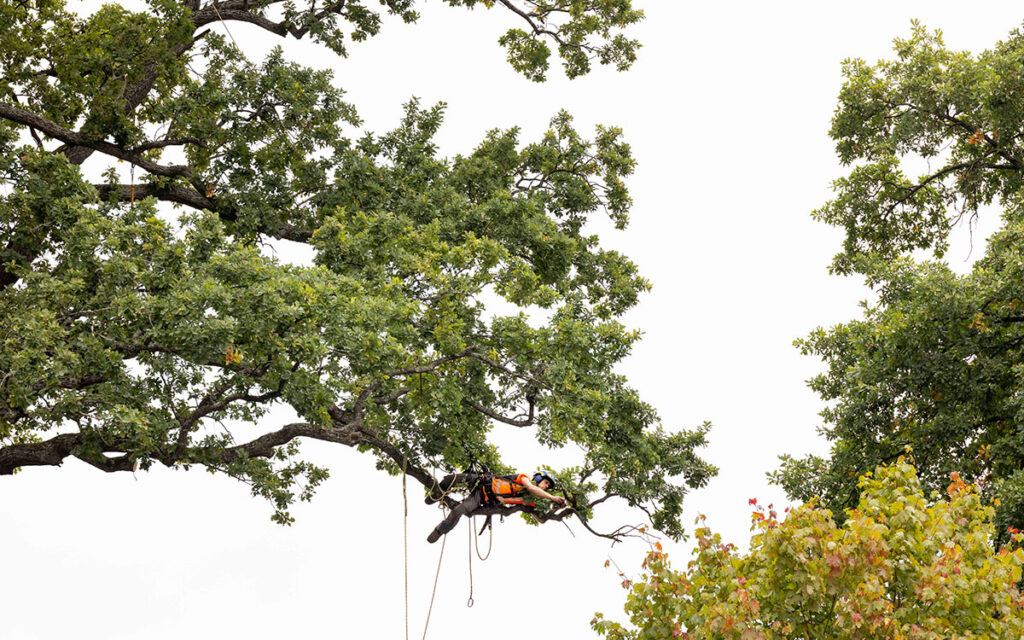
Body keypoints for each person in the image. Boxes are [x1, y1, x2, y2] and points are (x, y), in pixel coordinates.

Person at [426, 470, 566, 543]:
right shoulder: (524, 478)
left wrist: (557, 506)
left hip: (482, 497)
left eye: (548, 486)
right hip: (481, 482)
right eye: (546, 482)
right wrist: (553, 497)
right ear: (539, 478)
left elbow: (540, 518)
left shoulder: (530, 501)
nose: (546, 486)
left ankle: (440, 529)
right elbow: (530, 488)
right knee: (453, 479)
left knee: (459, 511)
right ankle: (436, 495)